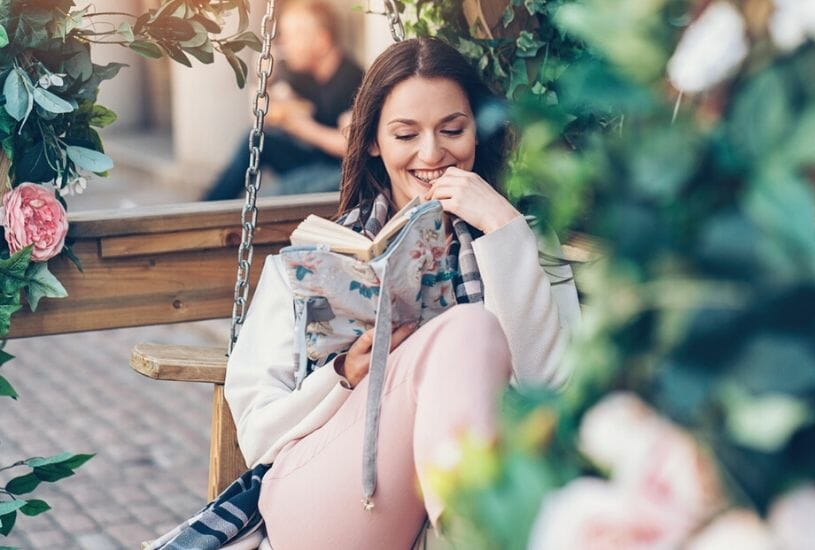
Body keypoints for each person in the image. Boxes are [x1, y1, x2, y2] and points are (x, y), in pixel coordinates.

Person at [224, 38, 581, 548]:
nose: (432, 154)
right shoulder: (312, 261)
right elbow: (257, 433)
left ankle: (467, 526)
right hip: (328, 496)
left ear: (478, 132)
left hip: (464, 491)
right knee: (469, 327)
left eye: (453, 130)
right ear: (373, 141)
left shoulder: (516, 241)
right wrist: (342, 375)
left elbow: (553, 392)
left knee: (470, 332)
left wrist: (503, 229)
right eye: (405, 134)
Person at [202, 0, 363, 200]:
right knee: (255, 138)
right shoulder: (302, 75)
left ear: (321, 40)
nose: (284, 44)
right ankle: (205, 207)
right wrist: (264, 81)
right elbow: (262, 115)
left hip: (342, 173)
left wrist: (302, 127)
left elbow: (352, 147)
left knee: (274, 194)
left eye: (293, 36)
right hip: (312, 160)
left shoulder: (353, 80)